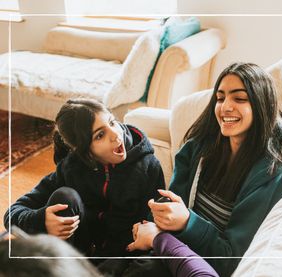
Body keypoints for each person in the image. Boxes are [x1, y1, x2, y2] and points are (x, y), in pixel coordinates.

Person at [128, 62, 282, 276]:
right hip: (167, 249)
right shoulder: (200, 146)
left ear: (261, 105)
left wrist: (186, 222)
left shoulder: (272, 175)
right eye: (220, 98)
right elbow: (171, 199)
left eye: (239, 98)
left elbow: (230, 259)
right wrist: (153, 220)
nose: (225, 106)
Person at [3, 98, 165, 258]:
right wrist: (42, 220)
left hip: (122, 257)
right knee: (65, 196)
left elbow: (154, 226)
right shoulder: (71, 168)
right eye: (100, 135)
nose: (115, 135)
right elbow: (12, 215)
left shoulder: (148, 167)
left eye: (112, 122)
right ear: (84, 151)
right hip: (75, 256)